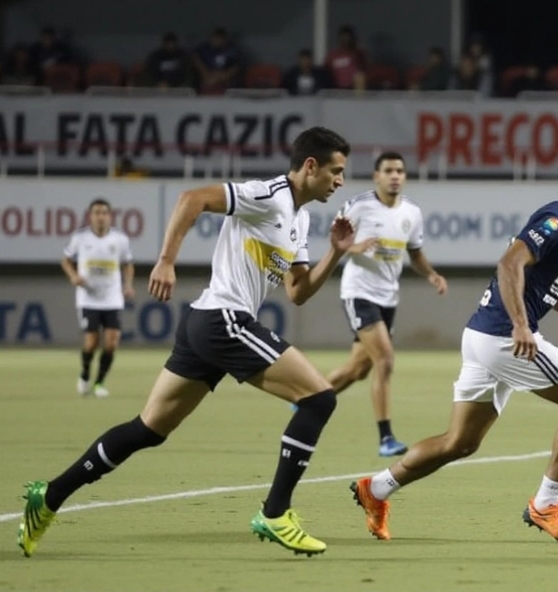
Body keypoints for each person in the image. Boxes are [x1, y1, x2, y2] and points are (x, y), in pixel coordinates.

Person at [18, 127, 356, 558]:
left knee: (148, 429)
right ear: (311, 166)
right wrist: (165, 261)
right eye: (336, 171)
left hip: (207, 324)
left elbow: (298, 291)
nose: (341, 181)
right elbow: (191, 200)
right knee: (319, 399)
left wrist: (337, 253)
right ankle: (275, 513)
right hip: (223, 319)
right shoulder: (268, 194)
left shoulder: (301, 218)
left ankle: (47, 498)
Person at [350, 149, 558, 544]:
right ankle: (547, 505)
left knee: (459, 443)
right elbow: (509, 264)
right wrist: (520, 326)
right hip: (503, 337)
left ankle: (375, 490)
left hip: (482, 336)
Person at [327, 152, 448, 457]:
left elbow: (415, 253)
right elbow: (336, 242)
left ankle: (308, 395)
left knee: (357, 370)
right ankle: (386, 438)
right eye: (389, 170)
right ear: (376, 176)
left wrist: (432, 275)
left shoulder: (412, 212)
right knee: (385, 360)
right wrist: (354, 247)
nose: (395, 175)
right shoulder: (359, 206)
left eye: (399, 171)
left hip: (388, 296)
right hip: (359, 292)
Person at [61, 199, 135, 398]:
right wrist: (73, 276)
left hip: (112, 297)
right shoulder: (80, 238)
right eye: (96, 212)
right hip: (88, 298)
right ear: (90, 216)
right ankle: (85, 374)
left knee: (111, 343)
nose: (100, 216)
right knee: (91, 343)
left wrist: (128, 285)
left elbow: (127, 264)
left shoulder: (120, 239)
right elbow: (66, 260)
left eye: (104, 212)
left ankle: (99, 382)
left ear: (110, 216)